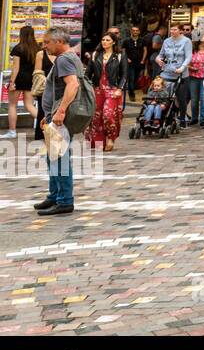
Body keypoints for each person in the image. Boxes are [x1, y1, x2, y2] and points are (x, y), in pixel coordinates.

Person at [34, 28, 80, 216]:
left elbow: (73, 84)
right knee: (53, 156)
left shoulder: (64, 59)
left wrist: (60, 111)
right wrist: (51, 112)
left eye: (47, 42)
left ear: (59, 41)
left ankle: (64, 200)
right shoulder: (69, 57)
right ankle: (55, 195)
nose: (44, 46)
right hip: (56, 115)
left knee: (59, 158)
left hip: (61, 116)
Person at [84, 33, 125, 152]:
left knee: (108, 115)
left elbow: (124, 74)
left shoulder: (119, 55)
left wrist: (119, 89)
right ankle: (98, 141)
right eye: (103, 39)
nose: (104, 42)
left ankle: (111, 138)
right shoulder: (95, 55)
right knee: (96, 117)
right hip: (97, 90)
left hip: (112, 90)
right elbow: (88, 74)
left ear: (113, 42)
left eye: (107, 40)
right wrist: (88, 87)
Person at [6, 24, 45, 137]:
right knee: (29, 105)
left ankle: (12, 131)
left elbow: (16, 68)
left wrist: (12, 82)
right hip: (31, 79)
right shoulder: (38, 48)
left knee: (12, 105)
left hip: (19, 79)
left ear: (21, 35)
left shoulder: (18, 48)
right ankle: (47, 125)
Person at [185, 36, 204, 130]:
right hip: (193, 77)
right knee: (194, 100)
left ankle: (203, 120)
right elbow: (187, 62)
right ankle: (194, 118)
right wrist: (191, 67)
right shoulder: (193, 50)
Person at [123, 25, 148, 103]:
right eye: (133, 30)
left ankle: (131, 89)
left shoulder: (142, 40)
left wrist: (143, 60)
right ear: (131, 31)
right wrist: (127, 59)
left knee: (136, 78)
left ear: (139, 32)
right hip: (130, 62)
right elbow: (123, 51)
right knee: (131, 78)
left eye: (137, 30)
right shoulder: (126, 41)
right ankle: (131, 94)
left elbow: (145, 50)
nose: (135, 32)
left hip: (139, 62)